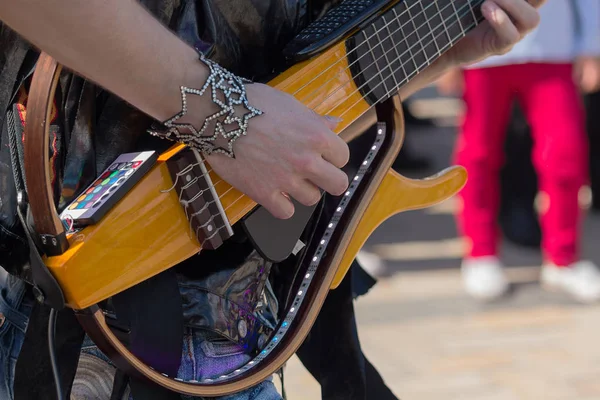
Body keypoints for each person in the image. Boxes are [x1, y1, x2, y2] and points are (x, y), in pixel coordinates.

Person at [0, 0, 543, 398]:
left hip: (243, 327)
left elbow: (284, 57)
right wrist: (227, 120)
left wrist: (432, 51)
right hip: (85, 313)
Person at [437, 0, 600, 303]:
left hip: (552, 47)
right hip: (480, 50)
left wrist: (591, 45)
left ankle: (563, 258)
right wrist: (440, 51)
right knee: (478, 155)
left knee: (565, 154)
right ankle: (480, 253)